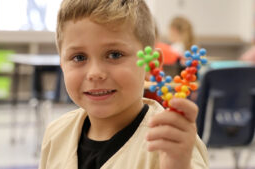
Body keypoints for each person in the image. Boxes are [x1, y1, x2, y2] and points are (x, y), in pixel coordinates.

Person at [39, 0, 208, 169]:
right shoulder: (56, 135)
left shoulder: (173, 142)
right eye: (79, 57)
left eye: (114, 55)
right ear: (62, 65)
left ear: (151, 64)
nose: (95, 73)